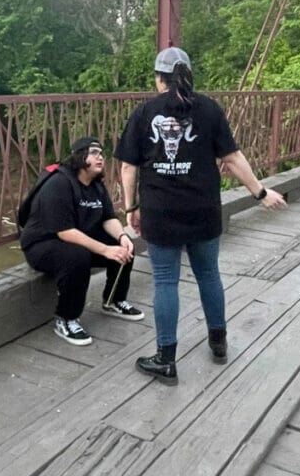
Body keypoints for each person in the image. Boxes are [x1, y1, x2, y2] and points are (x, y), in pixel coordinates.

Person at [117, 47, 286, 385]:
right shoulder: (208, 109)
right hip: (203, 209)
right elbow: (233, 158)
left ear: (158, 78)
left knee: (165, 280)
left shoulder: (144, 112)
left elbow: (127, 167)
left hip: (161, 212)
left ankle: (166, 359)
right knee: (209, 274)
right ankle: (218, 343)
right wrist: (261, 192)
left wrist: (131, 209)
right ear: (189, 75)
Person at [20, 136, 144, 346]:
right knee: (78, 257)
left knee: (121, 247)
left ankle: (114, 299)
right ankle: (66, 318)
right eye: (94, 152)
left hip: (75, 237)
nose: (101, 158)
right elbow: (65, 232)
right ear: (79, 157)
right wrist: (105, 250)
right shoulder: (59, 183)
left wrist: (122, 237)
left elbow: (108, 217)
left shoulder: (96, 185)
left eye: (102, 154)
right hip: (42, 243)